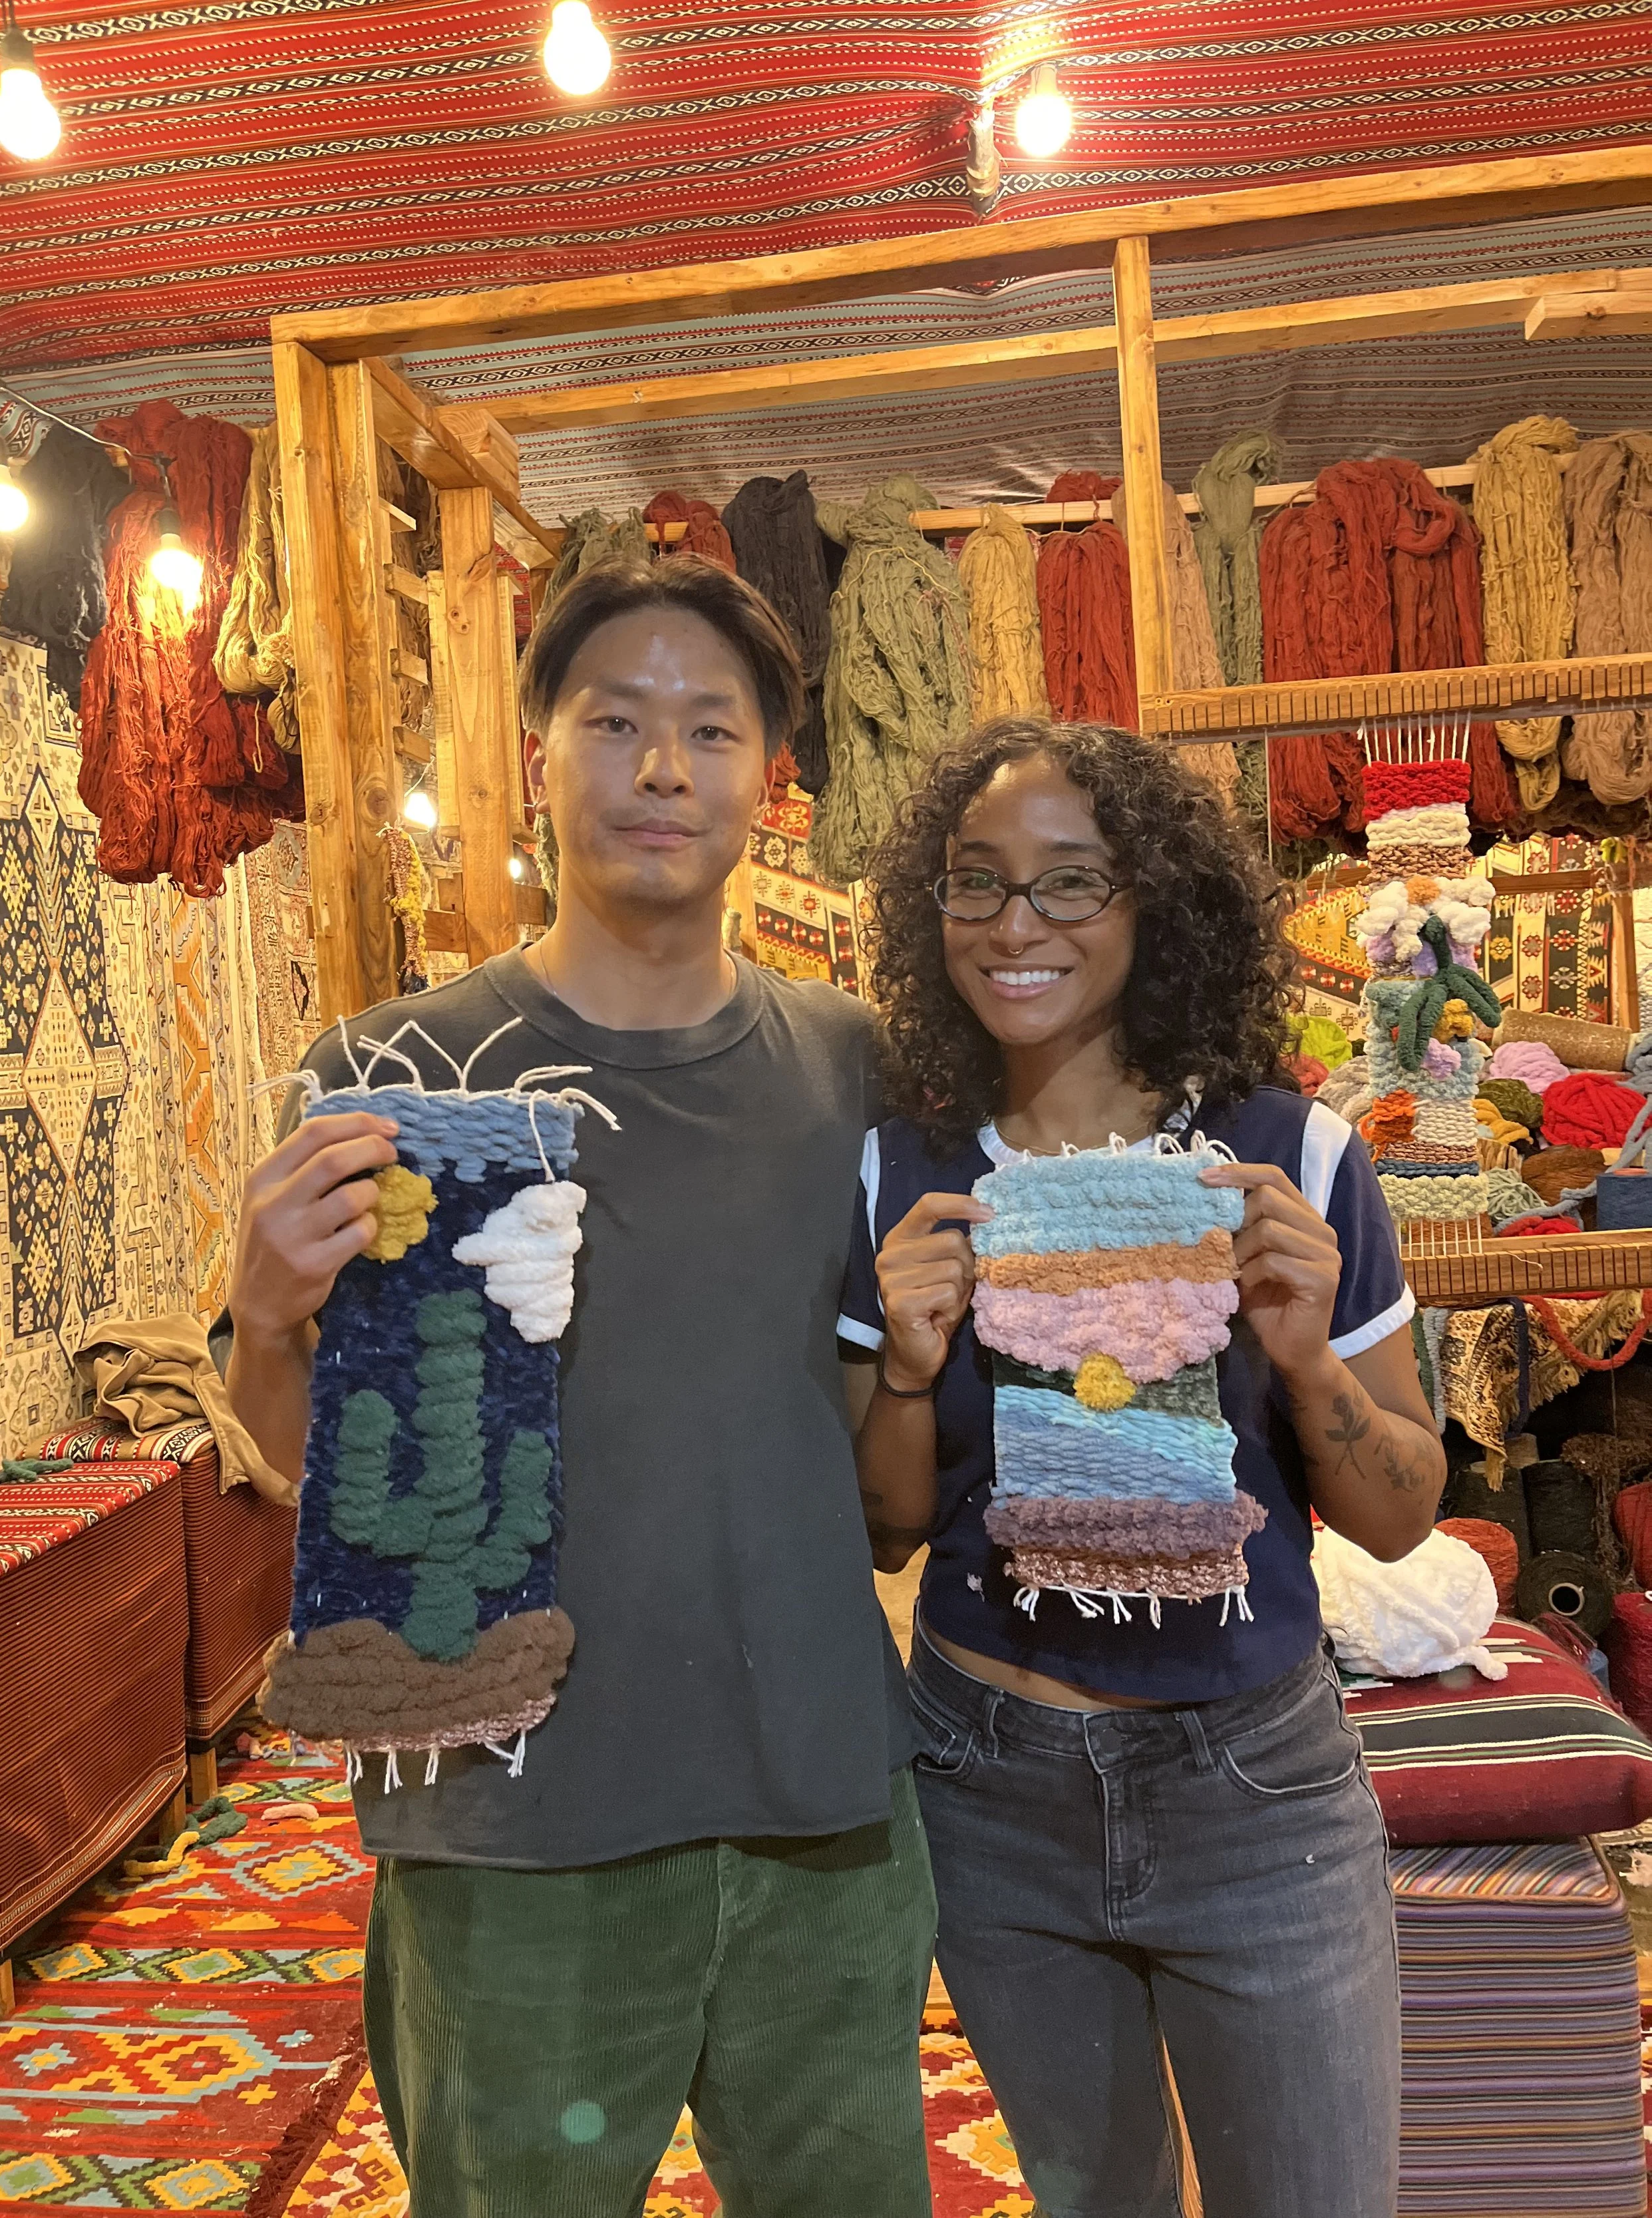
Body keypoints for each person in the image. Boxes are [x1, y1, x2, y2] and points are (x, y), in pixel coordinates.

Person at [225, 557, 935, 2218]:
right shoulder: (395, 1071)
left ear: (772, 777)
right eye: (614, 722)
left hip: (817, 1796)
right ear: (537, 749)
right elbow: (302, 1465)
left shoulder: (848, 1064)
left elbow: (847, 1435)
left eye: (710, 728)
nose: (663, 769)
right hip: (504, 1820)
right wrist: (263, 1319)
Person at [839, 716, 1445, 2218]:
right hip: (988, 1783)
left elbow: (1396, 1511)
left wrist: (1304, 1362)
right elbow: (890, 1525)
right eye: (974, 884)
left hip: (1251, 1790)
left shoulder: (1285, 1156)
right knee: (1092, 2199)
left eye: (1068, 884)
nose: (1013, 927)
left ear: (1149, 903)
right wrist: (908, 1370)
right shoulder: (896, 1169)